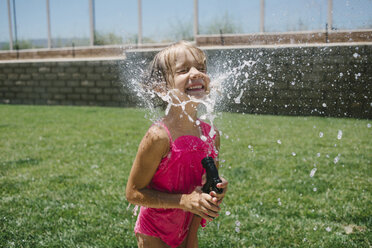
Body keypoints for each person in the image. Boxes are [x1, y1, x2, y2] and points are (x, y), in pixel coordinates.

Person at [126, 41, 228, 248]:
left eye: (201, 68)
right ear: (161, 87)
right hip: (153, 231)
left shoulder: (211, 135)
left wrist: (214, 192)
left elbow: (202, 194)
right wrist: (183, 201)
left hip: (187, 227)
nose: (196, 73)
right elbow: (134, 193)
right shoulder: (159, 136)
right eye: (183, 70)